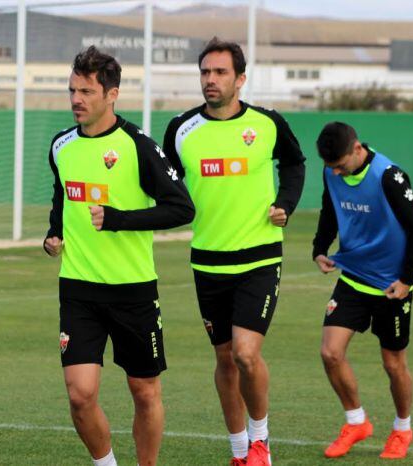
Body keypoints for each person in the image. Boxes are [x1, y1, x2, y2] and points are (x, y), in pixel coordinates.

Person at [44, 46, 194, 466]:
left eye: (87, 91)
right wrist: (54, 233)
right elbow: (63, 197)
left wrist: (118, 219)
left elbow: (181, 208)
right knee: (80, 394)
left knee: (144, 392)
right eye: (72, 90)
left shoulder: (138, 146)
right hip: (78, 289)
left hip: (133, 290)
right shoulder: (61, 146)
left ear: (112, 94)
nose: (76, 99)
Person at [162, 37, 306, 466]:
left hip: (259, 256)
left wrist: (286, 204)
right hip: (207, 259)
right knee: (224, 357)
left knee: (246, 353)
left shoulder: (267, 123)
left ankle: (261, 440)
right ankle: (240, 451)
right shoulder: (181, 129)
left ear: (240, 79)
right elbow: (165, 183)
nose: (211, 79)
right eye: (205, 72)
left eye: (220, 72)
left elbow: (295, 164)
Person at [313, 122, 413, 460]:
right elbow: (330, 211)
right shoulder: (331, 172)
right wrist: (320, 248)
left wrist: (406, 280)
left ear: (356, 149)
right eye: (329, 166)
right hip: (352, 276)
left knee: (393, 364)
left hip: (391, 285)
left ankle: (402, 429)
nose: (335, 171)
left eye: (339, 164)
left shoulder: (389, 177)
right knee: (330, 353)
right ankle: (356, 422)